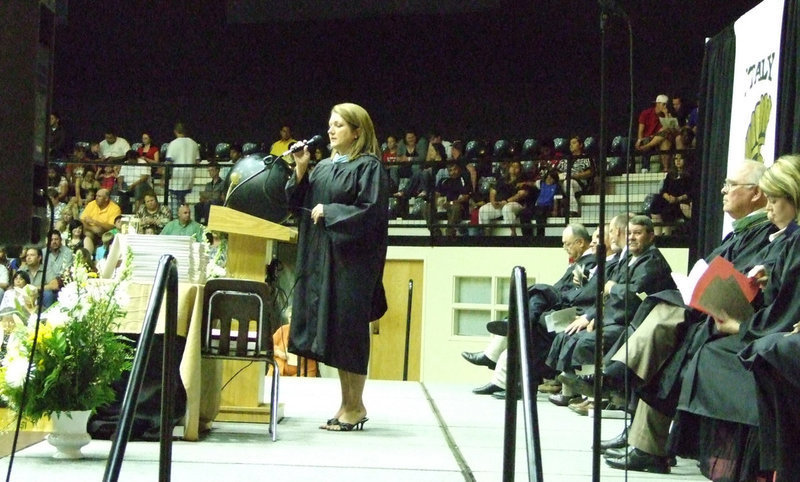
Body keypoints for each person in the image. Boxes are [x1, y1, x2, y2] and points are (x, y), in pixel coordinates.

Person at [600, 160, 774, 472]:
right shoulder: (741, 234)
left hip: (732, 321)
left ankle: (621, 377)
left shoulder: (767, 235)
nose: (723, 190)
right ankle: (635, 421)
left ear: (757, 193)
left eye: (731, 184)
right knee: (664, 315)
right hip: (710, 314)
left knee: (668, 328)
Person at [664, 155, 800, 480]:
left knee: (725, 352)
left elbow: (785, 314)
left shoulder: (793, 240)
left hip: (776, 333)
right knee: (709, 347)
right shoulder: (788, 239)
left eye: (776, 201)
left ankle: (746, 466)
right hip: (776, 327)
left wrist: (741, 326)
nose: (770, 209)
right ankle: (726, 462)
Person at [285, 103, 388, 432]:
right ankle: (346, 404)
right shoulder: (324, 167)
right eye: (330, 124)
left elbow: (370, 211)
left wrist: (330, 212)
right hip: (323, 258)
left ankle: (356, 406)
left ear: (357, 131)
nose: (331, 130)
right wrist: (301, 169)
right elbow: (299, 204)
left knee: (349, 332)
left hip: (352, 263)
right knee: (337, 333)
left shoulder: (368, 167)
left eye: (339, 125)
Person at [477, 160, 528, 235]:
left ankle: (513, 233)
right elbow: (492, 191)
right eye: (512, 166)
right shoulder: (502, 180)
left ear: (520, 169)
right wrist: (493, 202)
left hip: (515, 204)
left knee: (507, 208)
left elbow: (521, 194)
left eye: (516, 167)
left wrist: (506, 201)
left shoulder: (522, 180)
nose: (513, 168)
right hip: (499, 204)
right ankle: (487, 236)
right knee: (483, 210)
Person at [649, 153, 692, 236]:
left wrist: (677, 199)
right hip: (669, 199)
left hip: (681, 201)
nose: (678, 161)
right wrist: (668, 197)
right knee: (655, 203)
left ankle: (667, 235)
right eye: (676, 159)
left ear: (685, 160)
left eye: (680, 159)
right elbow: (664, 190)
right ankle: (657, 234)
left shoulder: (689, 176)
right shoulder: (670, 175)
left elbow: (690, 192)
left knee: (668, 210)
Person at [635, 94, 679, 173]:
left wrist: (666, 114)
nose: (665, 106)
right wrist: (639, 140)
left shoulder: (667, 114)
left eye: (666, 104)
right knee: (660, 134)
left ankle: (666, 169)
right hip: (648, 138)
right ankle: (645, 167)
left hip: (659, 140)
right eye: (663, 104)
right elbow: (641, 130)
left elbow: (670, 128)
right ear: (657, 104)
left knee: (665, 134)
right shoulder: (646, 113)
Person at [164, 122, 200, 217]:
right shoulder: (194, 143)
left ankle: (177, 220)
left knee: (175, 205)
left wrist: (164, 177)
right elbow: (197, 161)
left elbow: (168, 162)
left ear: (175, 131)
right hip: (189, 178)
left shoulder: (173, 144)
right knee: (184, 202)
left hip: (176, 179)